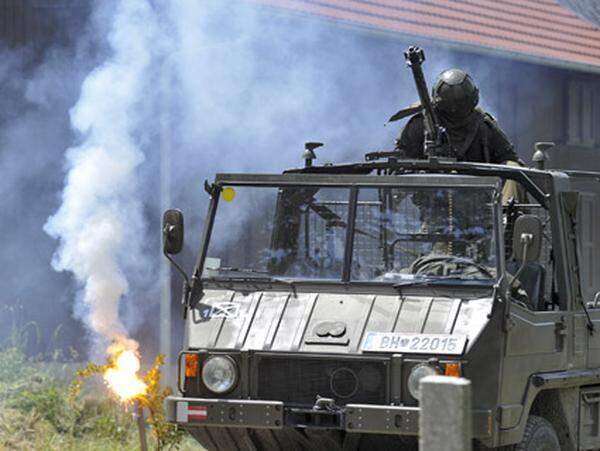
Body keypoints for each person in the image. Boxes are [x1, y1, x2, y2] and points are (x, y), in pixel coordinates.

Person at [395, 68, 523, 204]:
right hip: (435, 212)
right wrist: (421, 176)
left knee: (513, 168)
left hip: (482, 214)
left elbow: (511, 162)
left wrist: (504, 214)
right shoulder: (421, 125)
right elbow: (397, 167)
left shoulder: (483, 126)